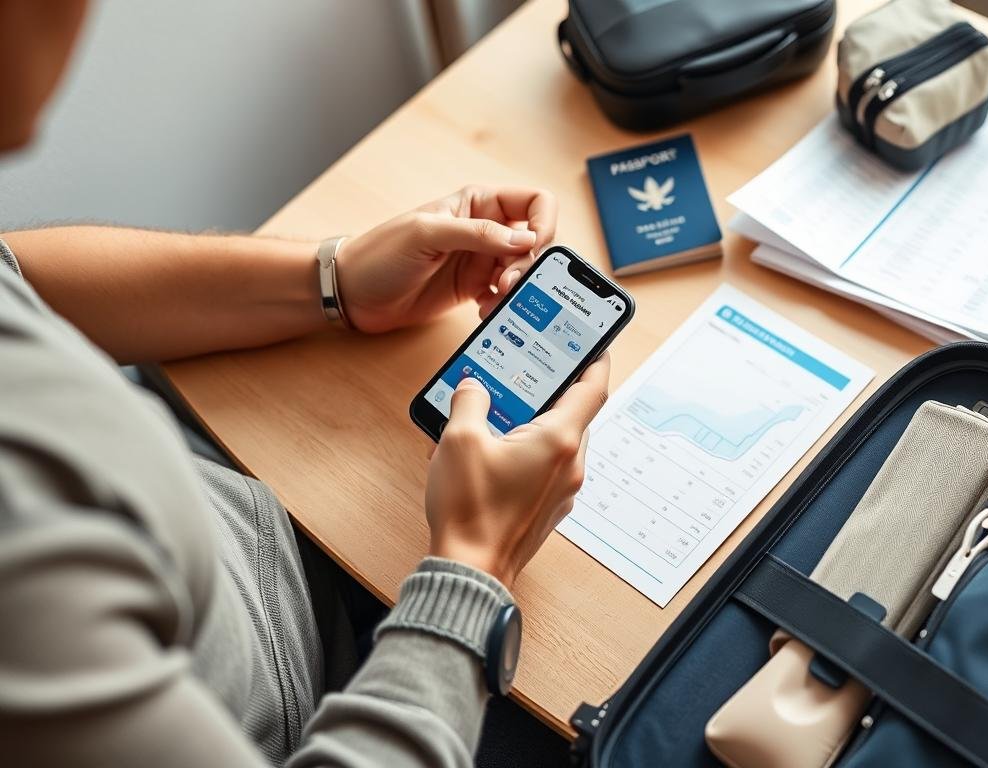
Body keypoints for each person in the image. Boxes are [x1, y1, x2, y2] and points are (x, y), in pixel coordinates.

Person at [0, 2, 607, 766]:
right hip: (337, 697)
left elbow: (17, 276)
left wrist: (335, 281)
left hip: (260, 539)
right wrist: (477, 565)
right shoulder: (21, 570)